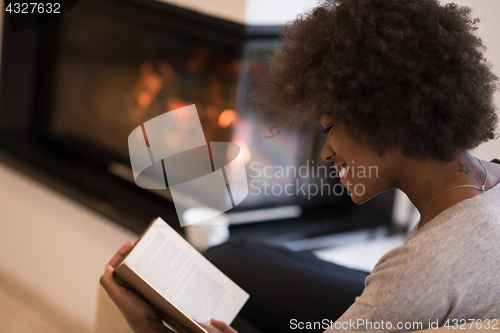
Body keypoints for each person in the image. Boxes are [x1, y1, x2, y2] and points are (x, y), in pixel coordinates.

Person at [100, 0, 500, 331]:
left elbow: (415, 281)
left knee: (222, 305)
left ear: (386, 118)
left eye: (330, 128)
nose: (326, 152)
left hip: (414, 288)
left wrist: (150, 327)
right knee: (227, 258)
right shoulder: (489, 180)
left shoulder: (414, 274)